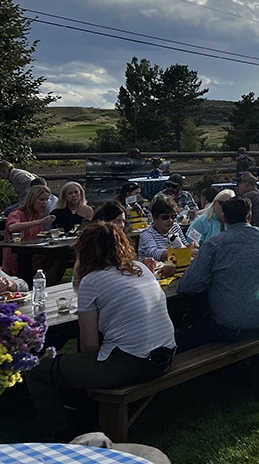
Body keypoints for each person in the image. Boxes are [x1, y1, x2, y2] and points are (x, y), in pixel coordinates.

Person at [26, 222, 175, 439]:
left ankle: (59, 430)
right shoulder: (141, 268)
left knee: (36, 368)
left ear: (84, 250)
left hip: (131, 364)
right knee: (81, 362)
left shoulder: (92, 281)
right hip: (164, 356)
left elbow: (89, 345)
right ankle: (80, 407)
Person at [174, 197, 259, 350]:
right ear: (249, 217)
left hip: (232, 326)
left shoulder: (214, 245)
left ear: (223, 218)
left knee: (184, 340)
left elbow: (187, 286)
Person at [3, 185, 56, 277]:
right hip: (17, 256)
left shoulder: (36, 214)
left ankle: (51, 283)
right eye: (41, 199)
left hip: (33, 253)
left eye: (46, 200)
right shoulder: (17, 214)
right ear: (32, 199)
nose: (44, 203)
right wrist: (40, 221)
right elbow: (12, 227)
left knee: (58, 257)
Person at [138, 198, 189, 262]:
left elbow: (185, 244)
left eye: (173, 217)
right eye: (165, 217)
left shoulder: (175, 227)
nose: (170, 220)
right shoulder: (147, 234)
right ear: (154, 217)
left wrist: (191, 247)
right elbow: (153, 253)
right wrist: (182, 252)